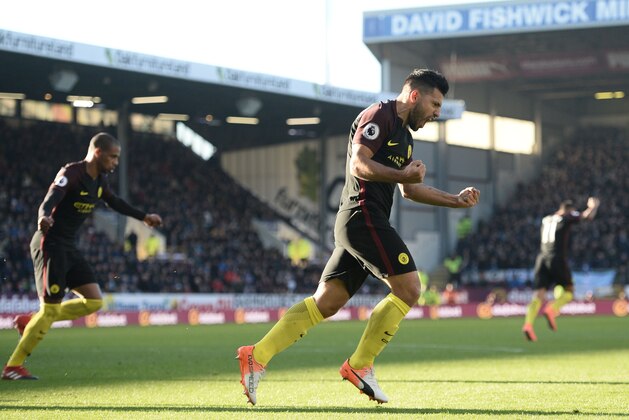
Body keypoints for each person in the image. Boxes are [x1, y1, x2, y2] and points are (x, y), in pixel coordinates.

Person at [236, 68, 480, 405]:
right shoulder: (378, 115)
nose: (437, 113)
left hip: (362, 223)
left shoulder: (405, 138)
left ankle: (256, 354)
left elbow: (409, 190)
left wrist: (455, 199)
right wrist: (399, 173)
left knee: (327, 301)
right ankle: (360, 365)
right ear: (414, 95)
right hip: (362, 216)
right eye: (435, 104)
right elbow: (359, 165)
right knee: (409, 288)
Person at [2, 132, 162, 380]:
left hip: (69, 247)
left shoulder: (99, 182)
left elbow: (115, 202)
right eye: (113, 157)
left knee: (94, 301)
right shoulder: (72, 173)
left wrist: (144, 217)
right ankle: (13, 366)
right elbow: (50, 199)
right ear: (98, 152)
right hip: (50, 244)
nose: (116, 162)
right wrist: (43, 218)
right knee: (51, 309)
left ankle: (32, 321)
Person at [522, 197, 600, 342]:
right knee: (569, 291)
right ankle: (552, 309)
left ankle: (528, 325)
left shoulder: (546, 219)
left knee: (538, 296)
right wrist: (593, 206)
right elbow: (586, 216)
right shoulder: (566, 216)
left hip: (541, 259)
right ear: (569, 210)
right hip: (557, 259)